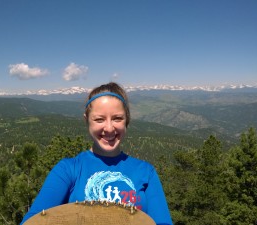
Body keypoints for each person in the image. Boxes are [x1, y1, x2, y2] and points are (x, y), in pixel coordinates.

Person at [20, 82, 173, 225]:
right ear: (87, 121)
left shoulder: (146, 172)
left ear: (127, 120)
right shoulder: (68, 170)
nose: (109, 128)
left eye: (117, 118)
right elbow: (34, 220)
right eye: (99, 119)